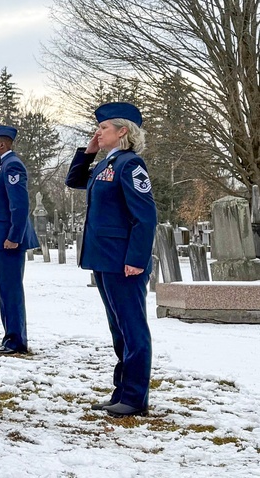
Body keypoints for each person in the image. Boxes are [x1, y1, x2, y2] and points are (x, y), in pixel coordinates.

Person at [65, 102, 157, 418]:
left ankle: (134, 397)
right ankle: (122, 392)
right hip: (105, 259)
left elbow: (145, 218)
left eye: (103, 128)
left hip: (123, 262)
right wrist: (88, 150)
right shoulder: (109, 164)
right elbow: (75, 180)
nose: (98, 131)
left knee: (132, 329)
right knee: (119, 329)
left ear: (123, 131)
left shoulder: (131, 165)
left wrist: (136, 259)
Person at [0, 125, 40, 355]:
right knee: (5, 290)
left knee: (11, 290)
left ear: (2, 145)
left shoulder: (12, 165)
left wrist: (14, 236)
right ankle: (10, 337)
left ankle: (16, 340)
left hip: (8, 240)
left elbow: (20, 205)